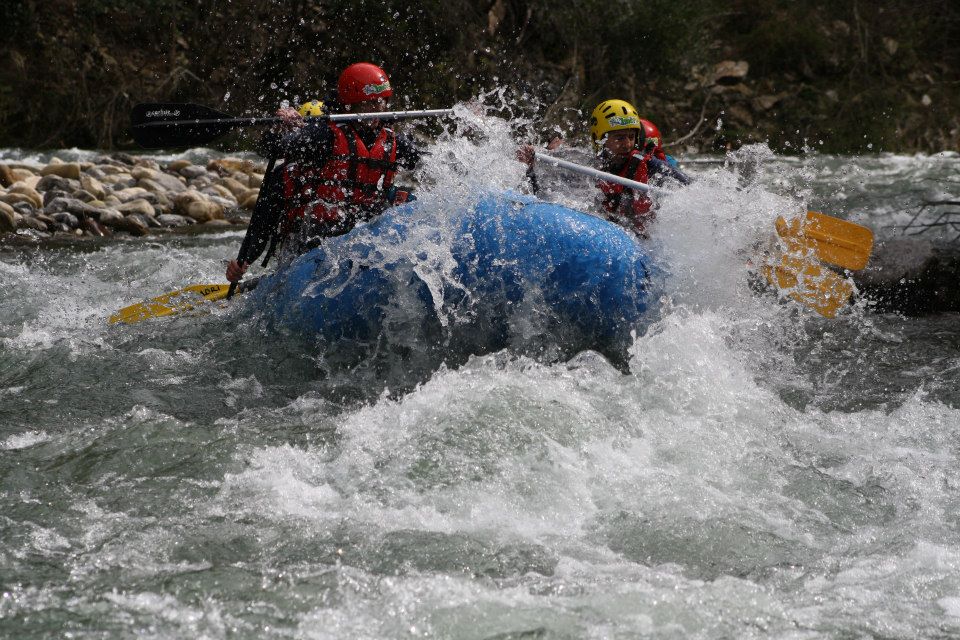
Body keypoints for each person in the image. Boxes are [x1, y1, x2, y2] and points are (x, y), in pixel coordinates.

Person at [226, 62, 421, 284]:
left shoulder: (392, 141)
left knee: (406, 197)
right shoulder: (324, 136)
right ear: (349, 106)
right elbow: (272, 149)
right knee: (285, 178)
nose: (377, 111)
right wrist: (279, 129)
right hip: (313, 244)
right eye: (369, 104)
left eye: (381, 103)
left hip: (363, 237)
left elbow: (427, 161)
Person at [518, 99, 689, 238]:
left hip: (641, 239)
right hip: (608, 232)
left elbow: (689, 187)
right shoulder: (588, 163)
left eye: (631, 137)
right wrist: (532, 167)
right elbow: (545, 195)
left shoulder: (648, 163)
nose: (627, 144)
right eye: (620, 138)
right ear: (599, 139)